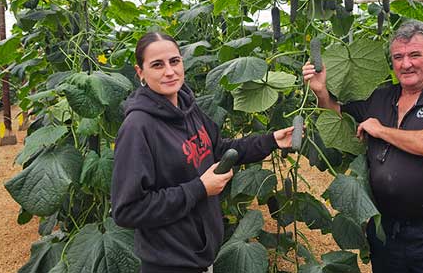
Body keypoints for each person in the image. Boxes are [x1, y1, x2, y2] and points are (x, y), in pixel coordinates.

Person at [111, 32, 296, 273]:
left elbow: (219, 149)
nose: (169, 71)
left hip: (200, 255)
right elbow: (127, 210)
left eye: (174, 61)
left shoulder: (189, 108)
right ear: (140, 72)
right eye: (157, 65)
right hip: (169, 263)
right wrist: (199, 188)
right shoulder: (138, 127)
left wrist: (271, 141)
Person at [303, 20, 423, 273]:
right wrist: (320, 92)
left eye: (415, 55)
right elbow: (338, 115)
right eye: (398, 57)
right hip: (385, 228)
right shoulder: (381, 97)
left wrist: (380, 130)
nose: (406, 64)